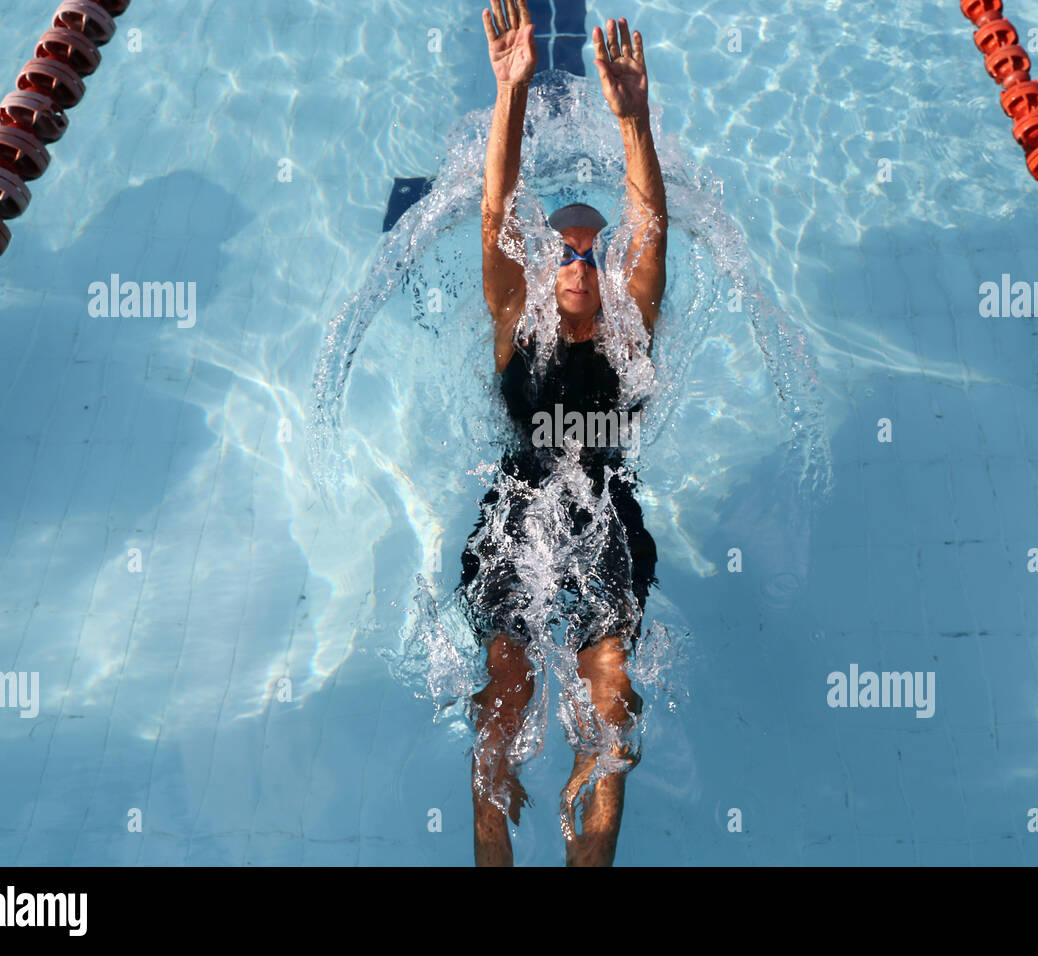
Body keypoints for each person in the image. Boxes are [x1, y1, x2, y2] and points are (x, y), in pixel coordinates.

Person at [459, 0, 667, 866]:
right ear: (545, 268)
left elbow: (650, 224)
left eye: (592, 249)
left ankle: (597, 830)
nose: (579, 259)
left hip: (605, 512)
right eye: (565, 250)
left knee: (610, 693)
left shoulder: (630, 329)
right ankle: (491, 842)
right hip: (516, 510)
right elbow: (497, 204)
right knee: (507, 693)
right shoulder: (518, 317)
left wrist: (635, 123)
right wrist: (510, 92)